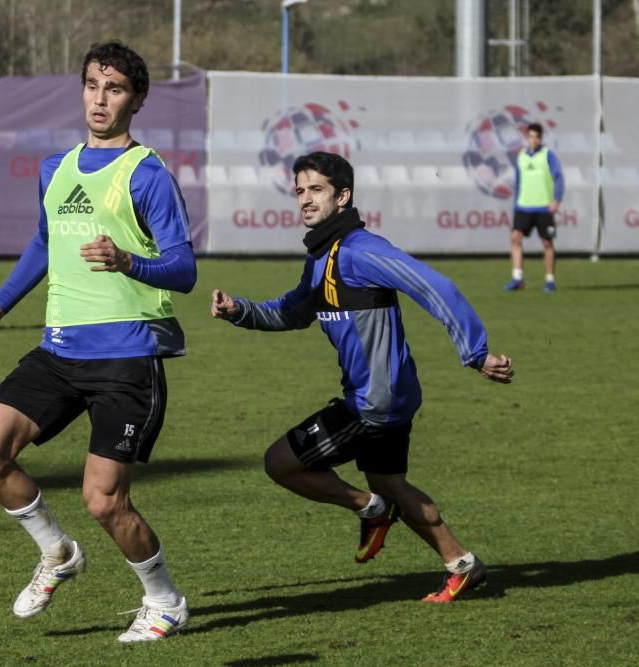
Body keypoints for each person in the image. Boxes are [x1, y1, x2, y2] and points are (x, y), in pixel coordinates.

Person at [0, 41, 196, 643]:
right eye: (92, 85)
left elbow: (184, 270)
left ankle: (165, 601)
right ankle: (56, 553)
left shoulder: (148, 175)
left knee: (105, 502)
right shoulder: (54, 168)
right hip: (59, 350)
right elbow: (44, 241)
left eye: (114, 89)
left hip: (126, 356)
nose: (100, 98)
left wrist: (128, 261)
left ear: (136, 99)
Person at [211, 151, 514, 603]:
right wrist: (241, 311)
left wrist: (476, 352)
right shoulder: (322, 257)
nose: (305, 200)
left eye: (316, 190)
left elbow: (434, 286)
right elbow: (294, 312)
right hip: (386, 395)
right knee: (390, 481)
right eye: (300, 191)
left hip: (375, 401)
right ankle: (461, 564)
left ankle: (373, 510)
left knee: (281, 462)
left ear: (343, 196)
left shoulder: (361, 251)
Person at [504, 122, 564, 292]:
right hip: (523, 207)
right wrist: (516, 204)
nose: (533, 140)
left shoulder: (548, 156)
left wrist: (556, 199)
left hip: (543, 207)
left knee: (547, 243)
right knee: (515, 239)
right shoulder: (521, 156)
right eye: (530, 136)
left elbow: (558, 177)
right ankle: (517, 278)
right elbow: (519, 182)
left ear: (541, 138)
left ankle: (550, 280)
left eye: (536, 137)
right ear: (526, 137)